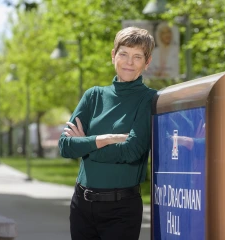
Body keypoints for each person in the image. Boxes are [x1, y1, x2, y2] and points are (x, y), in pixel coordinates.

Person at [58, 26, 157, 240]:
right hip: (81, 206)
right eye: (124, 54)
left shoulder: (149, 99)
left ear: (147, 62)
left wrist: (85, 145)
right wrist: (106, 139)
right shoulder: (93, 96)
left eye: (137, 56)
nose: (129, 62)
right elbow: (65, 147)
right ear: (113, 55)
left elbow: (132, 151)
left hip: (121, 210)